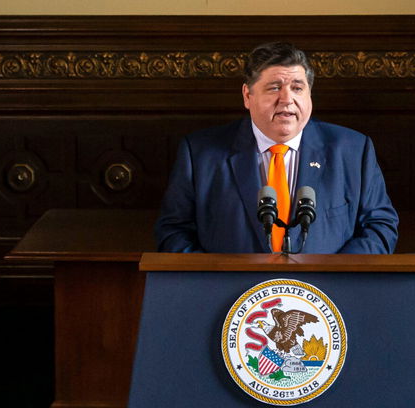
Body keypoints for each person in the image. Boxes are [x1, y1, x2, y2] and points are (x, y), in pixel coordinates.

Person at [154, 42, 398, 254]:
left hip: (326, 300)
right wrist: (213, 280)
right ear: (247, 95)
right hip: (231, 300)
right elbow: (174, 232)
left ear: (309, 94)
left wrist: (333, 279)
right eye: (274, 87)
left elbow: (380, 227)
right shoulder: (200, 154)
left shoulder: (353, 150)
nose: (287, 99)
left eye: (297, 88)